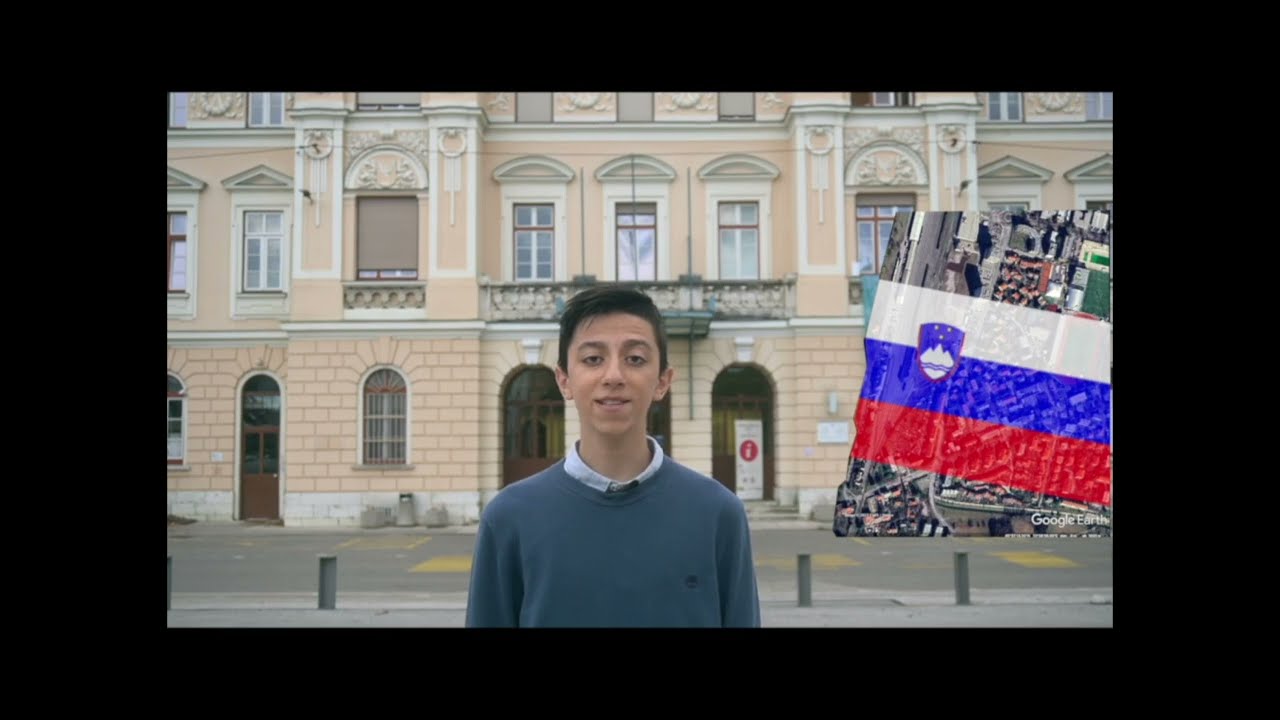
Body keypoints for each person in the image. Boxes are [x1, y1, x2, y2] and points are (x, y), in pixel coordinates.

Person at [465, 285, 761, 628]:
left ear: (663, 381)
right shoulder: (508, 518)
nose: (614, 376)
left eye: (635, 359)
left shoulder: (718, 514)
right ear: (564, 380)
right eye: (593, 359)